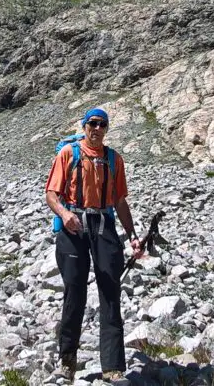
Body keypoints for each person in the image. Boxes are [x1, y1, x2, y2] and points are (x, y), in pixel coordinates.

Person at [45, 108, 143, 382]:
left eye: (102, 125)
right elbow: (51, 194)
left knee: (110, 291)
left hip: (103, 225)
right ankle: (67, 360)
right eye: (92, 124)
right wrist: (65, 215)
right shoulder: (68, 154)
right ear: (85, 126)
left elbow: (120, 201)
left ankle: (113, 367)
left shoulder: (114, 159)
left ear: (106, 129)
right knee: (74, 292)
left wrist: (132, 235)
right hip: (73, 226)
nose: (97, 129)